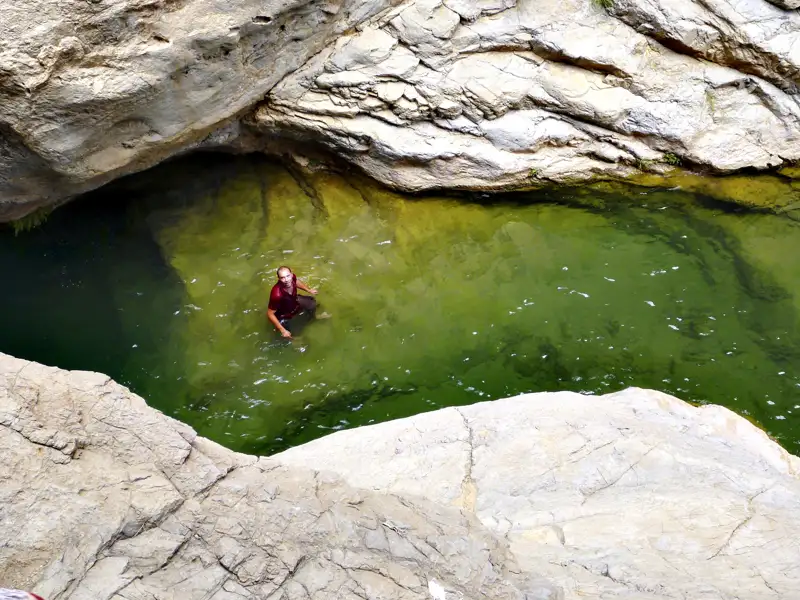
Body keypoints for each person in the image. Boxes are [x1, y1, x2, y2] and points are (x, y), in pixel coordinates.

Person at [266, 266, 318, 338]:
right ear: (279, 279)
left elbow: (296, 281)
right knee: (293, 334)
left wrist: (308, 290)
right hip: (283, 314)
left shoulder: (292, 277)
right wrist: (282, 330)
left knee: (312, 303)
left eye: (288, 276)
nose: (286, 280)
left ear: (291, 274)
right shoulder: (276, 294)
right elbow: (270, 314)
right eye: (282, 277)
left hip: (294, 301)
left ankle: (313, 318)